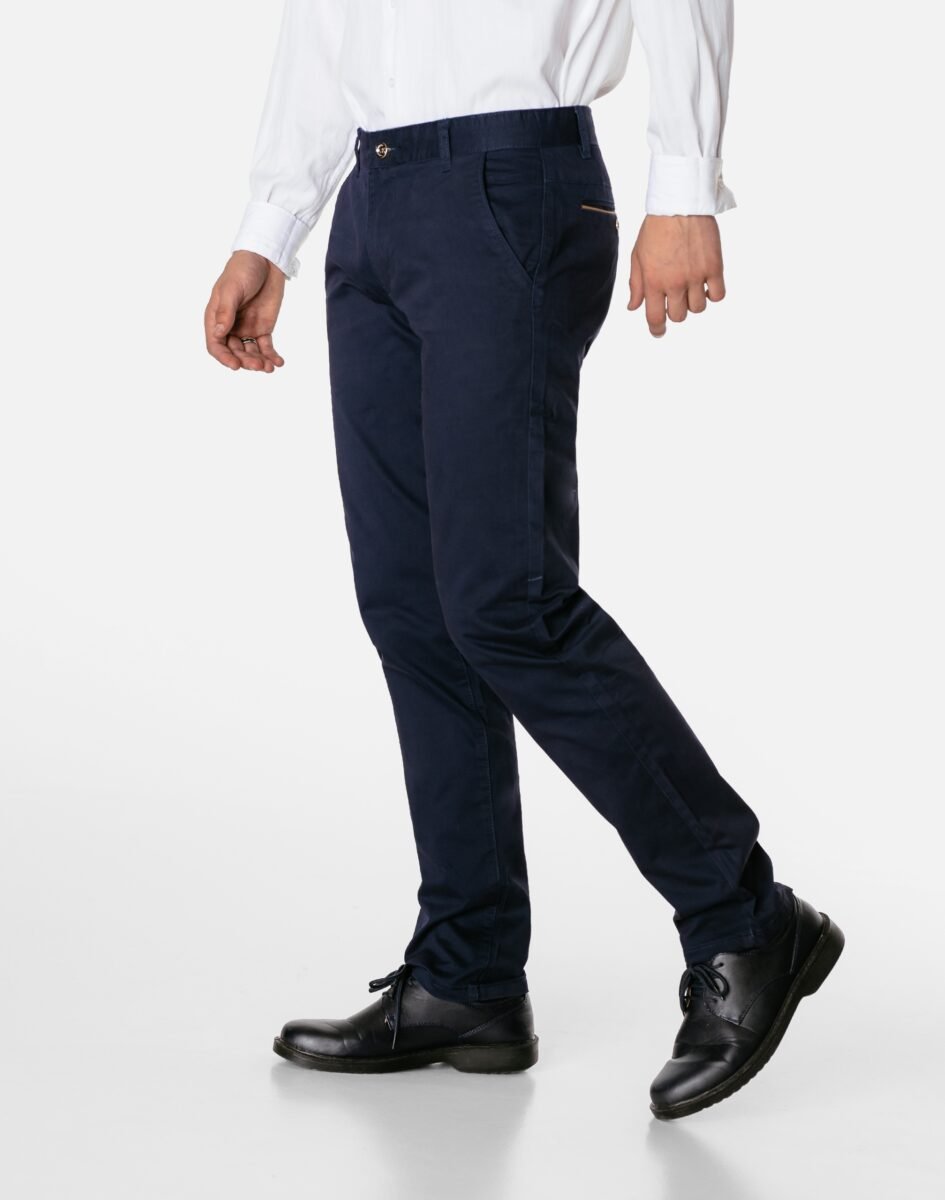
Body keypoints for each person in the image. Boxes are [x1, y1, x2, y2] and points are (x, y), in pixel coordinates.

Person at [203, 1, 844, 1119]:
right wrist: (273, 221)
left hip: (510, 180)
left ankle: (746, 918)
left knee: (508, 601)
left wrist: (683, 181)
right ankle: (468, 977)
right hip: (373, 197)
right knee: (412, 608)